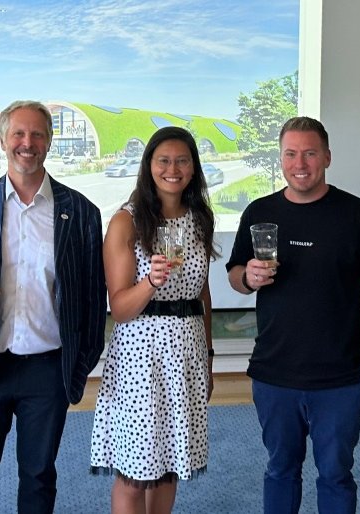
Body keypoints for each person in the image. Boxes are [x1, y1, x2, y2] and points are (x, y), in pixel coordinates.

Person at [0, 100, 107, 514]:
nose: (27, 143)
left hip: (47, 371)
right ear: (2, 140)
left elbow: (92, 298)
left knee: (38, 478)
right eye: (18, 134)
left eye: (37, 135)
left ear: (50, 143)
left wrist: (78, 365)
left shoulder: (81, 212)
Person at [226, 116, 360, 513]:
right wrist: (247, 278)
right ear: (281, 158)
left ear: (327, 157)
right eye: (290, 153)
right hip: (274, 373)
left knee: (335, 473)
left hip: (341, 377)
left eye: (310, 153)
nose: (299, 163)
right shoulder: (258, 212)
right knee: (280, 469)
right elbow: (235, 275)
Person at [90, 126, 218, 514]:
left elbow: (201, 293)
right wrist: (151, 281)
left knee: (168, 468)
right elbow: (122, 309)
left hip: (187, 357)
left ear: (194, 168)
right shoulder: (126, 222)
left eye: (182, 160)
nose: (172, 169)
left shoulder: (199, 218)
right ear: (148, 167)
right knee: (133, 473)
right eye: (163, 160)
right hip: (141, 361)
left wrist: (208, 357)